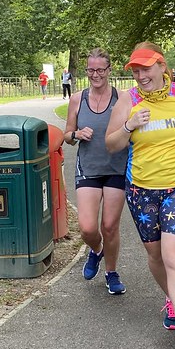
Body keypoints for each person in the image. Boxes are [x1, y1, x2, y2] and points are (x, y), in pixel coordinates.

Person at [106, 42, 175, 349]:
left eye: (145, 68)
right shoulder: (128, 101)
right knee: (154, 256)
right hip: (141, 189)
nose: (140, 75)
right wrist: (129, 126)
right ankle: (171, 298)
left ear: (161, 65)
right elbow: (111, 143)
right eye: (135, 70)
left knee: (173, 255)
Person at [64, 49, 128, 295]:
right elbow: (67, 135)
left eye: (100, 70)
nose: (95, 75)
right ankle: (97, 249)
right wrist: (76, 135)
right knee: (88, 228)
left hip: (116, 167)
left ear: (109, 71)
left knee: (110, 225)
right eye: (91, 70)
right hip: (88, 168)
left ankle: (111, 272)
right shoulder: (77, 99)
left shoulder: (122, 98)